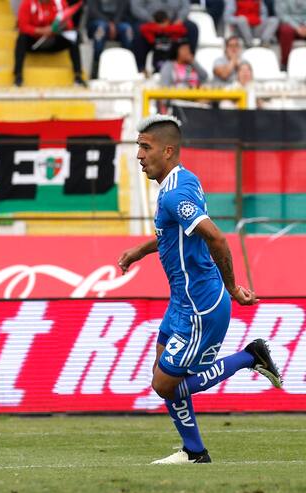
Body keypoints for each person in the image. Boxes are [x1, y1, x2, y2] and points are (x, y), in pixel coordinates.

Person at [118, 115, 282, 464]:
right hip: (180, 303)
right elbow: (173, 233)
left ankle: (250, 356)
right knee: (162, 375)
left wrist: (232, 287)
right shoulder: (182, 180)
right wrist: (139, 251)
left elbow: (215, 236)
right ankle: (194, 451)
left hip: (200, 307)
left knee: (164, 385)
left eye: (145, 148)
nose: (139, 156)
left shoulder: (175, 193)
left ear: (168, 150)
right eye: (138, 148)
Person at [14, 0, 86, 87]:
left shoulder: (60, 3)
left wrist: (60, 27)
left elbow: (69, 25)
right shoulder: (27, 3)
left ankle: (78, 76)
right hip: (34, 42)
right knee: (21, 39)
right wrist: (41, 31)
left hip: (53, 40)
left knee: (74, 36)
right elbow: (22, 26)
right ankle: (18, 76)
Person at [131, 0, 199, 72]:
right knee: (138, 30)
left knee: (192, 28)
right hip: (150, 21)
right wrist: (151, 20)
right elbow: (136, 8)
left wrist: (180, 19)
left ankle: (189, 64)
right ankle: (141, 69)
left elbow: (185, 7)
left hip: (175, 22)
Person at [86, 0, 133, 79]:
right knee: (101, 28)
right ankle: (96, 66)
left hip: (117, 23)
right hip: (98, 22)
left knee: (127, 30)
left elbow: (122, 11)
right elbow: (93, 12)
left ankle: (127, 65)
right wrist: (109, 24)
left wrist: (114, 24)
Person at [274, 0, 306, 69]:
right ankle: (285, 64)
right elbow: (282, 15)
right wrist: (297, 27)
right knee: (286, 31)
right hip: (289, 24)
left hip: (304, 25)